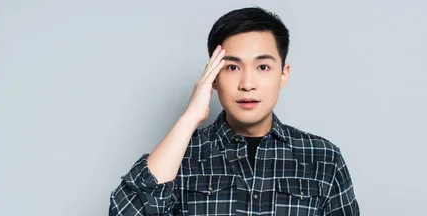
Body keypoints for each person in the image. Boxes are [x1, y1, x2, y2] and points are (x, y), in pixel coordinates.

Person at [109, 6, 359, 216]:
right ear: (212, 76)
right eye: (232, 68)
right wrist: (190, 117)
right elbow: (124, 211)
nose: (247, 84)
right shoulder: (181, 155)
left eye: (263, 67)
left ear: (283, 75)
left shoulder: (324, 158)